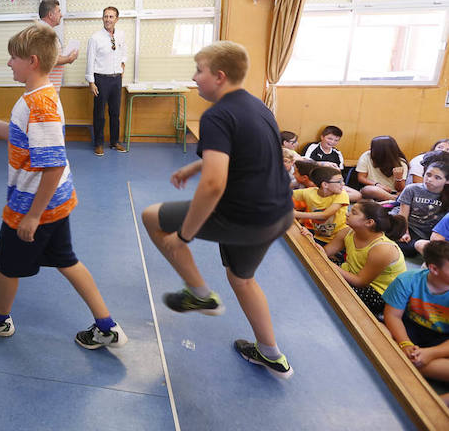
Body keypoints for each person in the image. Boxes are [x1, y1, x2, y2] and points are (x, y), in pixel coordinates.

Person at [0, 22, 127, 350]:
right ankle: (106, 326)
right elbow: (14, 132)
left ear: (32, 61)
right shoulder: (33, 97)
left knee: (8, 264)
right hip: (54, 203)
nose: (9, 63)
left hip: (35, 206)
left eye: (13, 58)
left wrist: (33, 216)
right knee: (66, 260)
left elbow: (52, 165)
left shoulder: (41, 104)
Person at [141, 40, 295, 379]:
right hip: (279, 214)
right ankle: (271, 353)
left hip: (243, 217)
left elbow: (213, 186)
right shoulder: (258, 106)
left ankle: (199, 294)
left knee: (152, 217)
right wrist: (193, 168)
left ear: (220, 76)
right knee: (242, 279)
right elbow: (245, 153)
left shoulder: (217, 115)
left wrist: (184, 236)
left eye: (199, 71)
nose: (195, 78)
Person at [311, 201, 406, 316]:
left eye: (354, 212)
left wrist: (330, 266)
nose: (347, 213)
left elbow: (360, 282)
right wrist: (311, 240)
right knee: (317, 264)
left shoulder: (383, 248)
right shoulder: (348, 232)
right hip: (351, 274)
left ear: (369, 222)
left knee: (331, 282)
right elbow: (324, 253)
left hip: (378, 293)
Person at [383, 241, 449, 387]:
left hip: (442, 341)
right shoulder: (407, 280)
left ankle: (397, 361)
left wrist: (431, 353)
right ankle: (410, 363)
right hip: (409, 329)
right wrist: (405, 344)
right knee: (379, 330)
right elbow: (392, 316)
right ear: (434, 269)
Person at [85, 6, 127, 156]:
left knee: (115, 113)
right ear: (102, 18)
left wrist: (123, 65)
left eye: (111, 17)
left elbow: (123, 52)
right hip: (101, 79)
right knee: (99, 114)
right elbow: (90, 60)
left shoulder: (121, 35)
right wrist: (91, 81)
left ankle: (115, 142)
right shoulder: (95, 38)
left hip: (116, 79)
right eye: (106, 16)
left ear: (117, 19)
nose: (108, 19)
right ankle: (98, 143)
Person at [394, 159, 449, 256]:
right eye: (428, 175)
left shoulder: (446, 196)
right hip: (410, 228)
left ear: (447, 181)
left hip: (431, 234)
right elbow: (403, 215)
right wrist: (404, 233)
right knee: (403, 247)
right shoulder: (412, 189)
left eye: (437, 178)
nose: (430, 179)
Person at [293, 166, 351, 245]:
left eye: (343, 181)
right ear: (325, 185)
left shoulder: (342, 195)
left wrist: (296, 214)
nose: (343, 184)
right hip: (318, 236)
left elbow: (325, 215)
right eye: (339, 182)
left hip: (337, 239)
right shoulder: (309, 192)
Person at [39, 0, 78, 91]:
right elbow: (48, 58)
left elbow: (52, 55)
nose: (61, 15)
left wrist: (67, 56)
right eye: (59, 11)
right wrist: (68, 59)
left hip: (49, 86)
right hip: (45, 88)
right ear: (50, 15)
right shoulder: (43, 32)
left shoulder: (47, 30)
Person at [357, 136, 409, 201]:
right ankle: (394, 199)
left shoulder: (400, 163)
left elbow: (400, 189)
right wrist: (377, 185)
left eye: (373, 147)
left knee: (406, 192)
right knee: (368, 190)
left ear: (382, 151)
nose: (369, 148)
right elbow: (361, 178)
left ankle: (391, 199)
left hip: (393, 192)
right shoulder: (366, 155)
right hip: (375, 189)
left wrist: (398, 178)